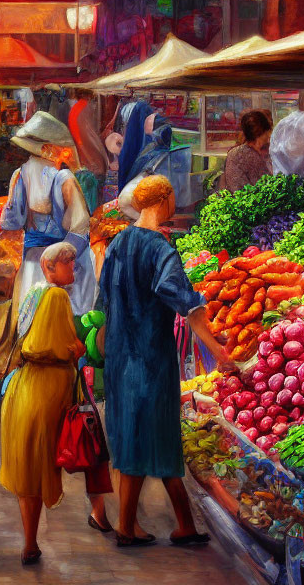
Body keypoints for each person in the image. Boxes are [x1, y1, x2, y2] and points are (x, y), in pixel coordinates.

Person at [100, 175, 234, 548]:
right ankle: (147, 526)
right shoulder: (160, 249)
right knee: (160, 436)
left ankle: (146, 526)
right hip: (150, 359)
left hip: (120, 357)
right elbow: (187, 306)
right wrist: (219, 352)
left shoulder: (118, 243)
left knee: (134, 437)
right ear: (164, 200)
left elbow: (104, 299)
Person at [0, 242, 86, 565]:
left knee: (28, 473)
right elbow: (55, 346)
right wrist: (78, 347)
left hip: (23, 392)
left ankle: (30, 542)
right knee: (44, 467)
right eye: (68, 264)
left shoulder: (34, 294)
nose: (72, 269)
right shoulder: (56, 296)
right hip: (44, 395)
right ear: (50, 267)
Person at [0, 111, 96, 315]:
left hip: (33, 263)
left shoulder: (19, 174)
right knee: (63, 318)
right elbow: (80, 224)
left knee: (35, 316)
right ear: (50, 150)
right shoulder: (64, 178)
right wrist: (62, 259)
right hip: (62, 265)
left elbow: (11, 222)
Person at [222, 110, 273, 192]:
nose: (258, 144)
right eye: (257, 136)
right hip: (248, 201)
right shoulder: (236, 155)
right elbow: (236, 189)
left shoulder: (274, 151)